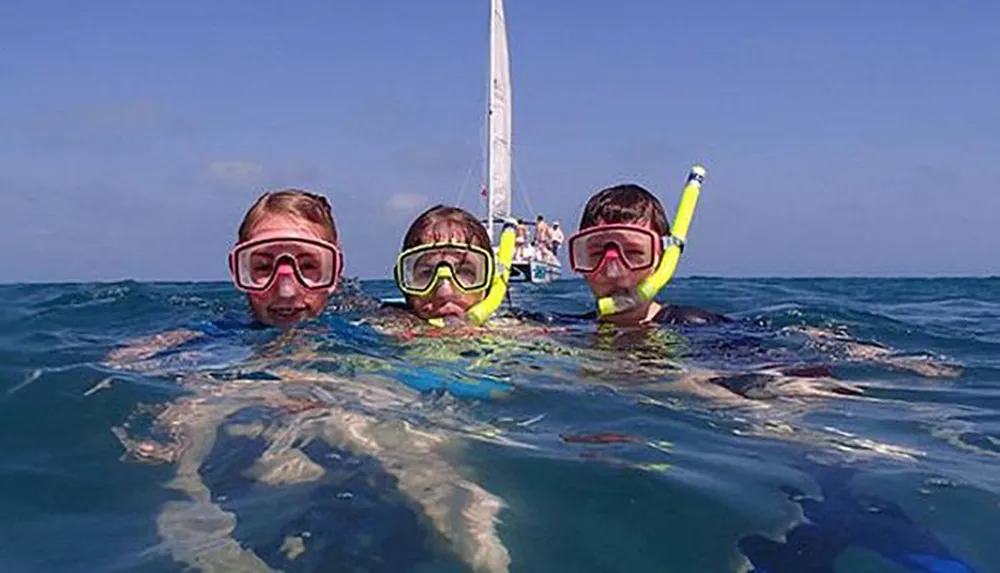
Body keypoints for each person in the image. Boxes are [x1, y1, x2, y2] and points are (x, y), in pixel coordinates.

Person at [567, 181, 728, 327]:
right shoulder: (566, 329)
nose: (613, 271)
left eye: (633, 252)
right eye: (596, 253)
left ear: (662, 259)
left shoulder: (694, 326)